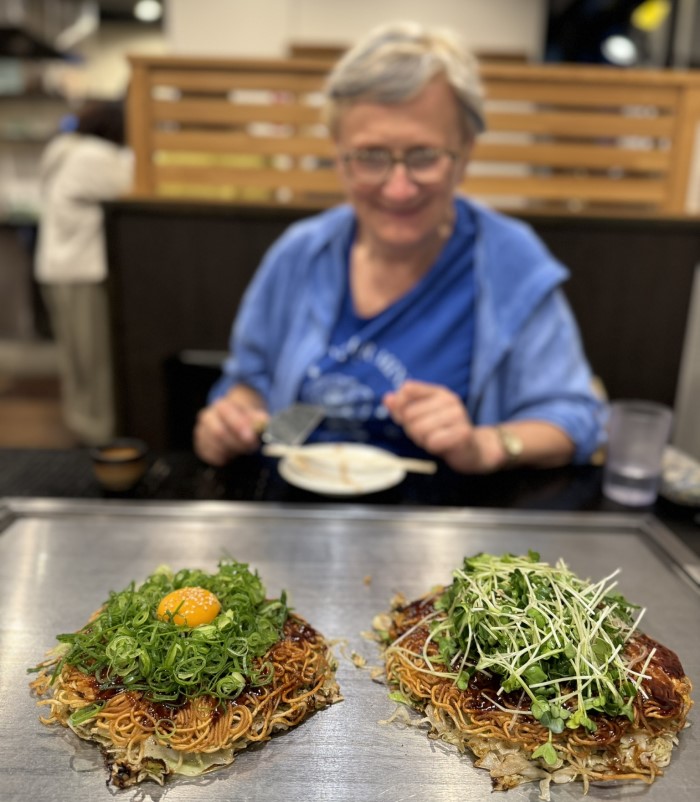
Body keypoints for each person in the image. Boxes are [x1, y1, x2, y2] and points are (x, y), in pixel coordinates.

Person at [194, 21, 605, 473]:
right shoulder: (300, 253)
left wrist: (484, 445)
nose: (398, 188)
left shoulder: (510, 261)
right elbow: (249, 383)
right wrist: (231, 420)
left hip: (450, 528)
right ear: (339, 155)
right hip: (299, 514)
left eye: (423, 156)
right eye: (370, 157)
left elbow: (577, 417)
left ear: (464, 153)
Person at [34, 99, 133, 445]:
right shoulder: (93, 156)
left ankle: (80, 426)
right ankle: (99, 437)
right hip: (83, 271)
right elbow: (134, 186)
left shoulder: (62, 150)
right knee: (95, 362)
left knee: (76, 359)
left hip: (56, 269)